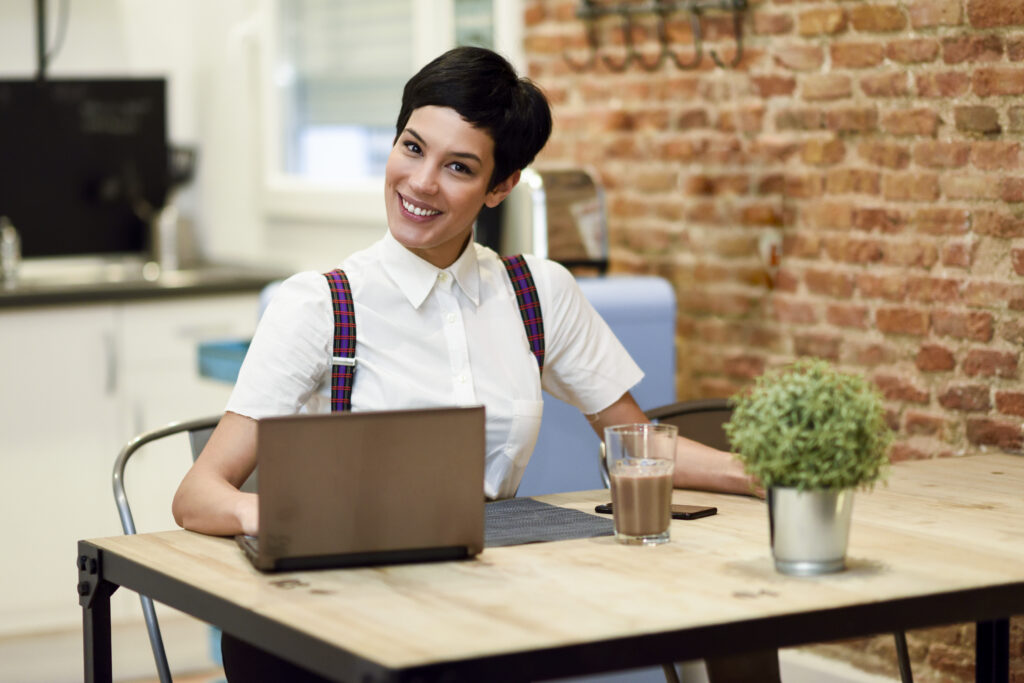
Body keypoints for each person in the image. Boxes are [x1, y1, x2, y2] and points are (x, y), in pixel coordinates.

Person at [172, 46, 760, 682]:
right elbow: (199, 495)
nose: (421, 183)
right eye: (412, 147)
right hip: (331, 622)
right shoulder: (321, 303)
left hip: (476, 609)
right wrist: (283, 517)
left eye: (458, 167)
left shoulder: (539, 292)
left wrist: (765, 474)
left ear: (500, 187)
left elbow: (636, 445)